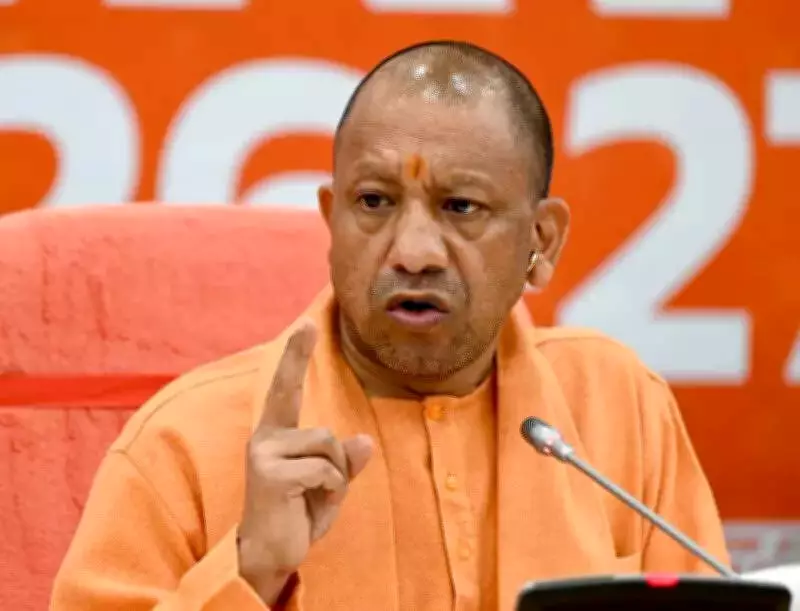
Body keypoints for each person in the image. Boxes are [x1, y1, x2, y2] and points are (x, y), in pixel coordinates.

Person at [51, 40, 730, 611]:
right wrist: (250, 568)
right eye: (374, 201)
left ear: (542, 241)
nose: (413, 251)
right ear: (332, 221)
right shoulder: (186, 440)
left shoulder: (615, 406)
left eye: (460, 206)